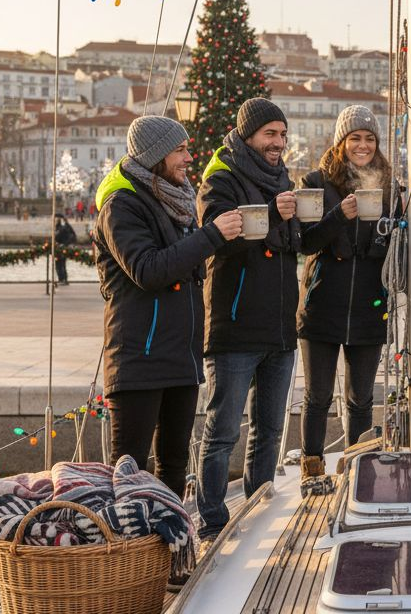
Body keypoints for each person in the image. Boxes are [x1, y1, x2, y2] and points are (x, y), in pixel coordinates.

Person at [92, 115, 241, 502]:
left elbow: (187, 267)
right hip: (139, 358)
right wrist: (211, 234)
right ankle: (125, 559)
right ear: (156, 156)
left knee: (174, 466)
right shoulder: (121, 206)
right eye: (180, 150)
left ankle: (167, 554)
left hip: (180, 355)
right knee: (128, 472)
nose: (189, 158)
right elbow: (148, 270)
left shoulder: (174, 201)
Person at [196, 97, 303, 541]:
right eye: (269, 134)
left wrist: (329, 218)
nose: (278, 143)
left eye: (282, 134)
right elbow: (217, 241)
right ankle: (213, 521)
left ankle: (258, 509)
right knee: (222, 430)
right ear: (248, 136)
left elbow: (294, 242)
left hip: (280, 328)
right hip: (235, 327)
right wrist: (274, 217)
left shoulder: (282, 179)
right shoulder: (220, 181)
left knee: (270, 429)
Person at [296, 105, 393, 477]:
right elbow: (305, 242)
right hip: (323, 302)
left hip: (370, 304)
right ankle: (311, 463)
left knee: (361, 399)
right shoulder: (316, 183)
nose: (363, 145)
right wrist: (340, 215)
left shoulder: (389, 185)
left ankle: (357, 465)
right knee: (317, 396)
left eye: (370, 139)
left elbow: (397, 235)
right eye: (355, 138)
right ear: (341, 142)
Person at [53, 215, 78, 285]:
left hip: (60, 249)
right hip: (61, 248)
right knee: (61, 265)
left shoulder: (60, 229)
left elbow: (58, 237)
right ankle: (63, 279)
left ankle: (62, 279)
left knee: (60, 265)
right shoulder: (62, 228)